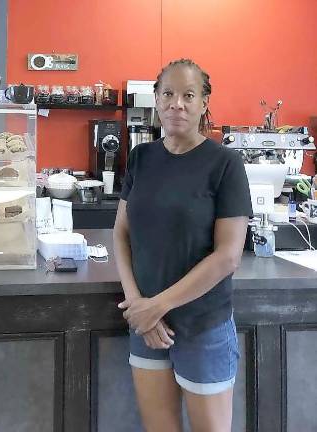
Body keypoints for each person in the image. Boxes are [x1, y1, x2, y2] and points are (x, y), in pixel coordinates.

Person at [113, 58, 252, 432]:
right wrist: (138, 308)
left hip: (201, 325)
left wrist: (156, 306)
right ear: (156, 100)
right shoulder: (142, 158)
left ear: (204, 102)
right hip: (146, 326)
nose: (177, 103)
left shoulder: (225, 163)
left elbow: (227, 257)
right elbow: (121, 234)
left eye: (189, 95)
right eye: (169, 94)